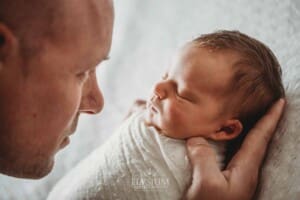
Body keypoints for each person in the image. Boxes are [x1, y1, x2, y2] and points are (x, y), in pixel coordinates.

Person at [0, 0, 285, 199]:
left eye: (183, 93)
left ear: (225, 129)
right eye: (80, 72)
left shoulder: (196, 168)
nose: (97, 103)